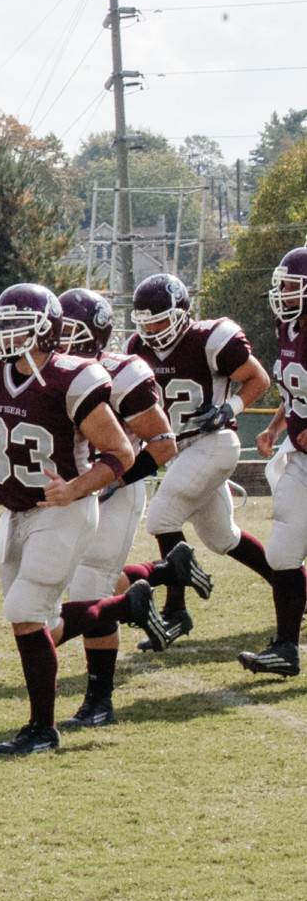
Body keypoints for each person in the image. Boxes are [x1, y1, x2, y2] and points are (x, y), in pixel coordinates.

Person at [0, 284, 143, 756]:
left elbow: (122, 452)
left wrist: (74, 488)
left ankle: (42, 728)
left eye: (20, 324)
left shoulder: (73, 379)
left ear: (47, 331)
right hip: (15, 509)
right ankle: (122, 607)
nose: (8, 334)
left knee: (25, 612)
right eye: (4, 323)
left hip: (64, 511)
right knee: (34, 620)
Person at [51, 288, 187, 724]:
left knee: (90, 589)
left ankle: (99, 701)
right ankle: (159, 575)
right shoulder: (48, 370)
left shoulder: (122, 372)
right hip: (69, 492)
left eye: (69, 330)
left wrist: (115, 480)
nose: (58, 337)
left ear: (94, 334)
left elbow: (164, 445)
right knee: (74, 583)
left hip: (114, 490)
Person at [125, 272, 273, 642]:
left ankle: (176, 611)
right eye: (144, 322)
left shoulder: (210, 339)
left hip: (214, 442)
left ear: (181, 314)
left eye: (159, 319)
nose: (152, 329)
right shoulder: (136, 348)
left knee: (161, 518)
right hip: (179, 451)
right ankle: (293, 584)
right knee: (223, 537)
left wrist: (231, 407)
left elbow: (259, 379)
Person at [248, 248, 307, 677]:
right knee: (283, 552)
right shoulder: (287, 327)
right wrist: (274, 427)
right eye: (283, 285)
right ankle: (286, 647)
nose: (283, 293)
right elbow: (294, 392)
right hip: (301, 457)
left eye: (292, 285)